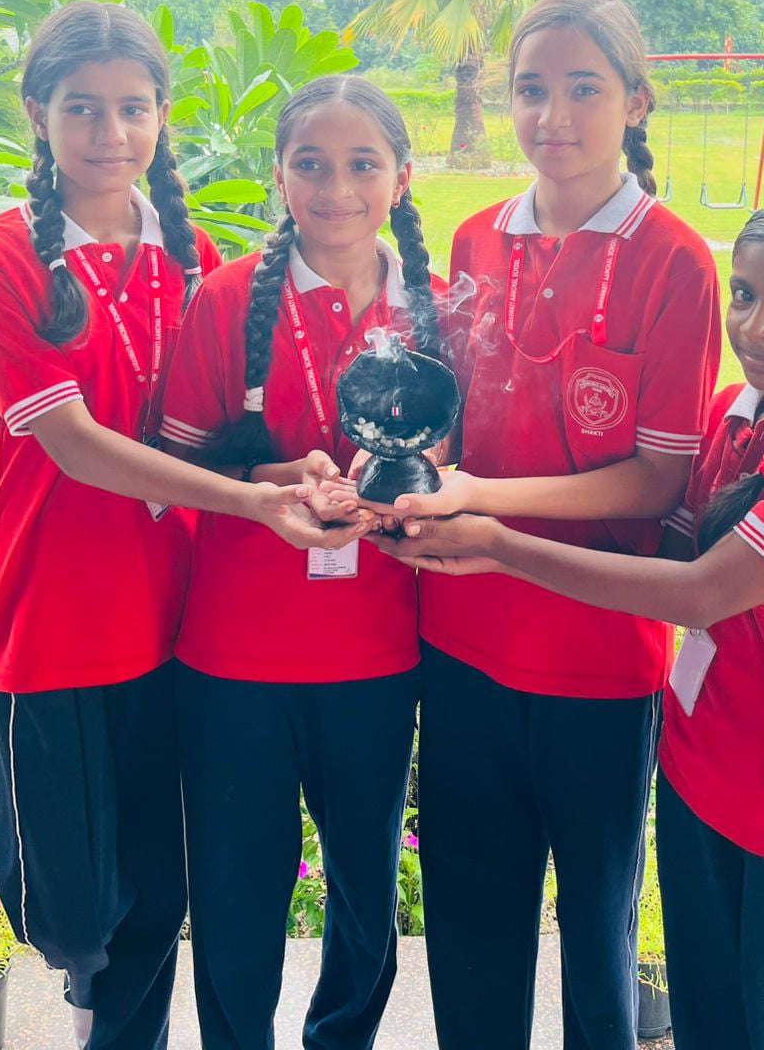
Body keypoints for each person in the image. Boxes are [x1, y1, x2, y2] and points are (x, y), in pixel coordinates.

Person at [376, 196, 764, 1050]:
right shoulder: (733, 418)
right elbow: (656, 551)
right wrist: (419, 504)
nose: (758, 326)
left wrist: (495, 542)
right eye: (744, 295)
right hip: (704, 788)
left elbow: (700, 593)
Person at [0, 2, 359, 1050]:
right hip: (59, 621)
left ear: (163, 115)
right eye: (82, 108)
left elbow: (202, 446)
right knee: (74, 907)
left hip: (182, 624)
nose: (109, 133)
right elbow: (75, 445)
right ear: (37, 113)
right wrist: (255, 501)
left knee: (159, 899)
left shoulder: (195, 256)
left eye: (133, 108)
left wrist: (276, 475)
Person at [347, 0, 721, 1050]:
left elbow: (655, 481)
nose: (553, 116)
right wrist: (403, 476)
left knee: (596, 930)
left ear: (636, 102)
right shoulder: (475, 239)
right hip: (461, 639)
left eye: (584, 89)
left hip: (598, 656)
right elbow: (453, 423)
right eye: (531, 89)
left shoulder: (675, 261)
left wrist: (477, 501)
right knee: (470, 918)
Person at [159, 75, 444, 1050]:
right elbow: (179, 466)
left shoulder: (436, 309)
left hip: (377, 655)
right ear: (279, 175)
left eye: (363, 164)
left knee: (366, 886)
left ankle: (341, 1038)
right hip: (233, 658)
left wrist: (411, 494)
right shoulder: (227, 300)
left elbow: (462, 462)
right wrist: (274, 479)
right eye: (311, 165)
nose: (337, 188)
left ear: (401, 177)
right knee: (236, 888)